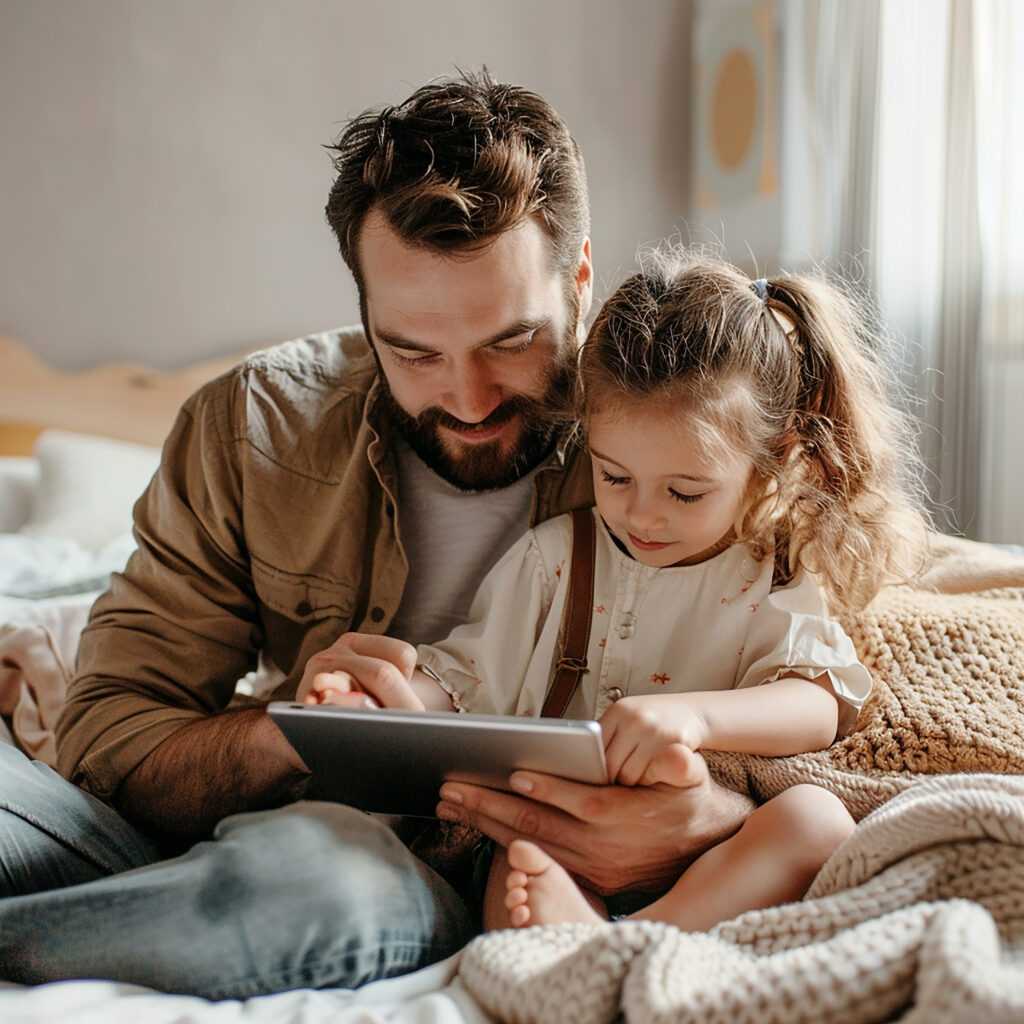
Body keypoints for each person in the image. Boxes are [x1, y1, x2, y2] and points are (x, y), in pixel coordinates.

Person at [0, 72, 754, 997]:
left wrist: (712, 814)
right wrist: (301, 734)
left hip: (414, 866)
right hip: (254, 812)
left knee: (312, 880)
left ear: (581, 276)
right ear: (363, 311)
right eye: (415, 352)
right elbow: (109, 740)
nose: (470, 401)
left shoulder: (688, 423)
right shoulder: (253, 428)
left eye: (511, 342)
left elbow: (848, 696)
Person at [302, 248, 930, 931]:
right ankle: (574, 948)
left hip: (709, 846)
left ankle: (646, 943)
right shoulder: (554, 560)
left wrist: (696, 718)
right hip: (560, 828)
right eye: (614, 476)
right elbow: (465, 682)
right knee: (523, 858)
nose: (642, 515)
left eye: (685, 492)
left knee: (815, 820)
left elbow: (819, 702)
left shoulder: (771, 574)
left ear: (770, 463)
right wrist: (367, 701)